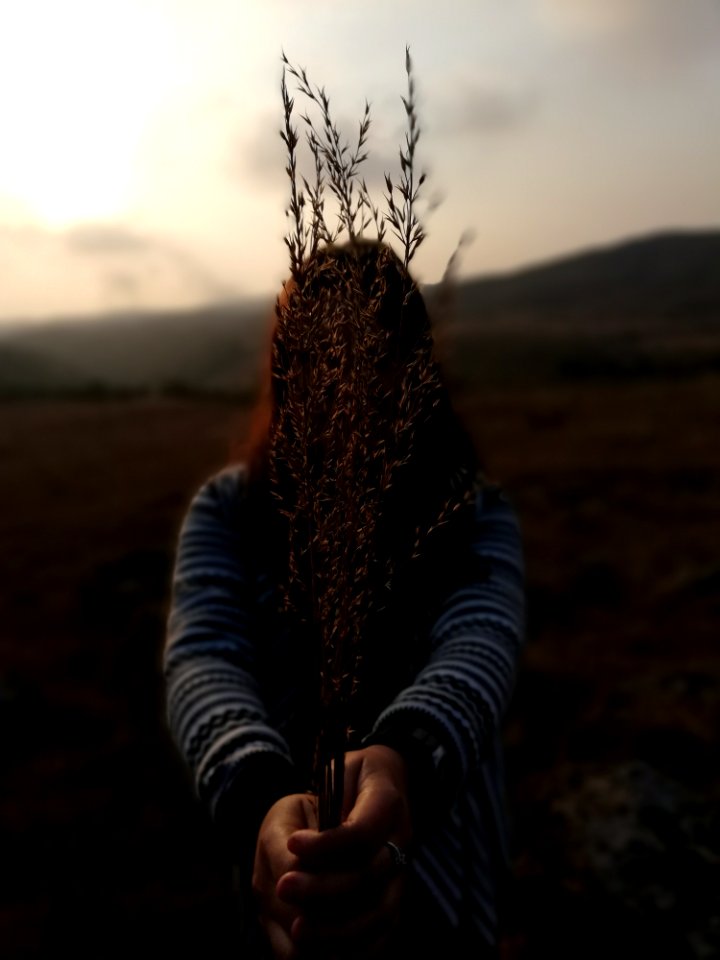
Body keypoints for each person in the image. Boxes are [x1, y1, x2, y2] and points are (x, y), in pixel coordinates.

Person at [164, 240, 525, 958]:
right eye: (318, 354)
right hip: (290, 879)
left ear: (415, 364)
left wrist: (405, 758)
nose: (346, 383)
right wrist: (262, 793)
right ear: (284, 367)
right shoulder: (229, 511)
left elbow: (481, 638)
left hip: (446, 889)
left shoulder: (473, 513)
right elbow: (204, 657)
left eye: (373, 350)